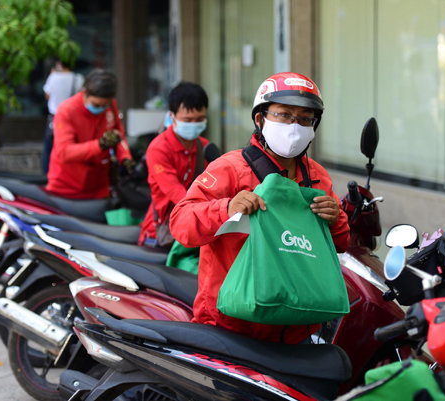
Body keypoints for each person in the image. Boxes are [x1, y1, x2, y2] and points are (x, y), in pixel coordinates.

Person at [169, 72, 350, 344]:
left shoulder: (317, 176)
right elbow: (181, 223)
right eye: (284, 115)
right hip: (233, 324)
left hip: (296, 326)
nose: (294, 126)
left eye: (305, 119)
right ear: (260, 118)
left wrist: (335, 219)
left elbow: (340, 243)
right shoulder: (229, 168)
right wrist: (226, 208)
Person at [139, 82, 209, 247]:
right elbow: (176, 193)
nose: (193, 124)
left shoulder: (204, 146)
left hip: (191, 227)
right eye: (187, 120)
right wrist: (213, 210)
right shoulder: (159, 148)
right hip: (161, 233)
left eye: (200, 119)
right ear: (172, 117)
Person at [46, 69, 133, 199]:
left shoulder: (110, 104)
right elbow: (64, 152)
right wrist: (100, 145)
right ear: (85, 92)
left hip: (99, 186)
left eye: (105, 105)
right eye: (96, 105)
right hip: (67, 187)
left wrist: (125, 158)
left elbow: (119, 134)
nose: (101, 109)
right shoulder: (67, 111)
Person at [42, 60, 85, 175]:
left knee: (49, 148)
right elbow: (81, 97)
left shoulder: (53, 77)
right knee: (70, 146)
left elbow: (47, 95)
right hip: (72, 117)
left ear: (59, 64)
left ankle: (47, 174)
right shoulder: (78, 78)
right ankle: (67, 173)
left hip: (55, 117)